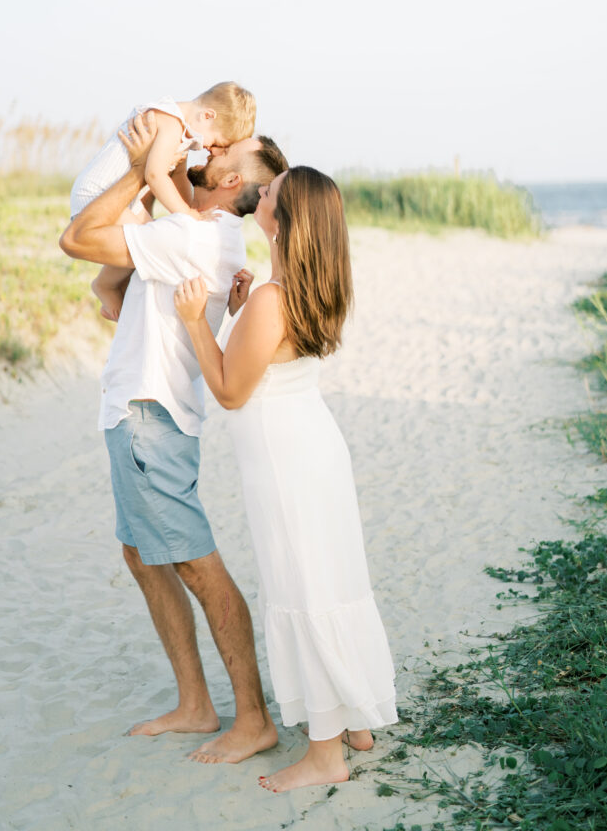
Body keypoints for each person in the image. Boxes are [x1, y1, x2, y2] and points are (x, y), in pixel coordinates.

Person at [59, 111, 288, 764]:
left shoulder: (193, 235)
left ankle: (252, 718)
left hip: (149, 414)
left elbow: (77, 238)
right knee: (142, 554)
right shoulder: (205, 229)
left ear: (233, 177)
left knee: (195, 563)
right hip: (144, 409)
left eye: (224, 148)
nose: (211, 146)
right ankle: (195, 703)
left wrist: (138, 167)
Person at [174, 166, 398, 791]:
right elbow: (261, 364)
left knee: (304, 587)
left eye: (269, 194)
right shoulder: (302, 290)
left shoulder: (274, 299)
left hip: (286, 464)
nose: (259, 194)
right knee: (332, 578)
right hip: (313, 450)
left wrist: (196, 318)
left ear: (283, 220)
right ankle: (354, 721)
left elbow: (228, 390)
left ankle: (327, 757)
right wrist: (238, 315)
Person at [70, 82, 256, 321]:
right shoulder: (170, 123)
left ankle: (115, 287)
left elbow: (176, 174)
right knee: (148, 236)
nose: (211, 150)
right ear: (208, 115)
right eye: (216, 142)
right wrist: (186, 215)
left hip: (125, 197)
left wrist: (190, 209)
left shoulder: (183, 131)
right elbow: (155, 175)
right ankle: (105, 286)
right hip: (97, 193)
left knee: (152, 233)